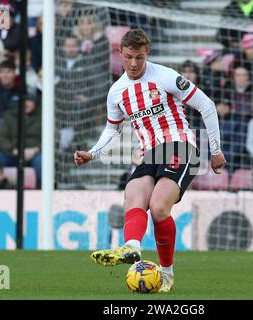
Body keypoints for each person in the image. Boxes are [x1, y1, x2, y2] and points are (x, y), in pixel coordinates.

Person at [74, 29, 225, 293]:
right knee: (133, 194)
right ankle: (131, 248)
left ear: (148, 54)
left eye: (140, 58)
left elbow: (207, 105)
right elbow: (113, 129)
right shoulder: (117, 91)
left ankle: (166, 274)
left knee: (157, 207)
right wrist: (93, 153)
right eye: (129, 57)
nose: (134, 64)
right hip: (150, 152)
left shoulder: (166, 77)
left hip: (180, 144)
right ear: (120, 53)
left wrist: (215, 149)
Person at [0, 94, 42, 187]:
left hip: (35, 153)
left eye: (30, 101)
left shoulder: (43, 116)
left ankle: (42, 190)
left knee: (42, 163)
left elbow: (51, 139)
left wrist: (35, 150)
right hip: (13, 152)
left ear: (35, 103)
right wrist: (13, 150)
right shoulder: (9, 116)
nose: (26, 104)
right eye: (24, 101)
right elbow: (1, 138)